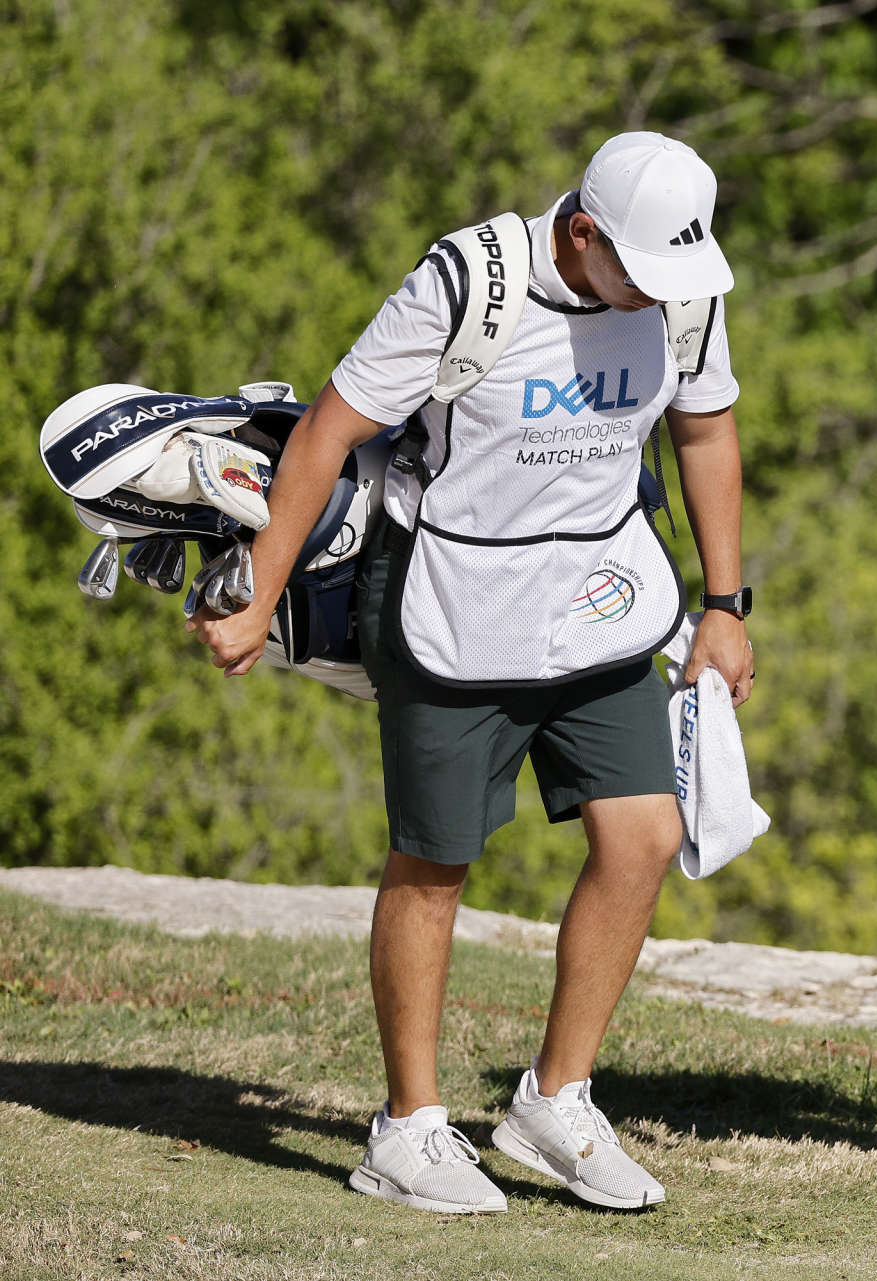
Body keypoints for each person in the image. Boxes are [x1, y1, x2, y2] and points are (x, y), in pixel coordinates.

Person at [193, 132, 756, 1214]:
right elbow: (328, 430)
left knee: (644, 833)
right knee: (435, 861)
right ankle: (407, 1129)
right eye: (636, 271)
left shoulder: (683, 287)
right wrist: (260, 592)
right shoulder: (468, 285)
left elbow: (706, 428)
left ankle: (556, 1100)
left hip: (601, 601)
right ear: (582, 234)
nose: (658, 294)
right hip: (453, 605)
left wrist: (725, 605)